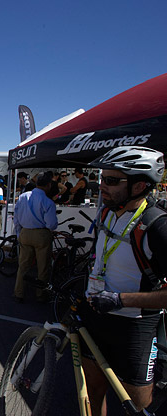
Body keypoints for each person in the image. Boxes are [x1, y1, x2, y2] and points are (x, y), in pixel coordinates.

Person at [83, 146, 167, 414]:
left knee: (137, 407)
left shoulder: (157, 226)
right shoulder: (107, 212)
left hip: (136, 328)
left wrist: (120, 299)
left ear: (139, 185)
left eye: (110, 180)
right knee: (93, 391)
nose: (101, 186)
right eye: (101, 178)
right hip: (97, 316)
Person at [13, 172, 58, 303]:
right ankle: (40, 294)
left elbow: (16, 218)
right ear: (48, 185)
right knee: (43, 267)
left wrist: (18, 232)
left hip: (25, 232)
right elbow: (52, 224)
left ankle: (19, 292)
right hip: (41, 234)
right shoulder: (48, 202)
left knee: (23, 265)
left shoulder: (23, 197)